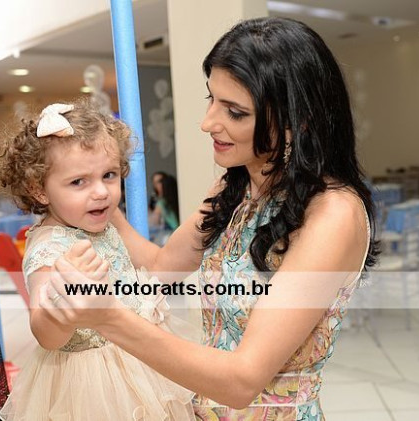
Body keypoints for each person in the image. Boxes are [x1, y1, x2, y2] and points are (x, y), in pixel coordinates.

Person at [49, 17, 379, 420]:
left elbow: (242, 380)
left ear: (297, 121)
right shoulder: (234, 188)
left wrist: (108, 318)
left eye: (235, 112)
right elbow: (160, 267)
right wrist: (95, 194)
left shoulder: (333, 214)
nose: (207, 123)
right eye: (212, 99)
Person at [0, 100, 196, 420]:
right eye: (79, 181)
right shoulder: (49, 248)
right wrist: (62, 300)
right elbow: (45, 335)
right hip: (94, 385)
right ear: (39, 189)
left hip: (140, 359)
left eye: (109, 175)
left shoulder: (106, 219)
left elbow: (156, 265)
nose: (101, 191)